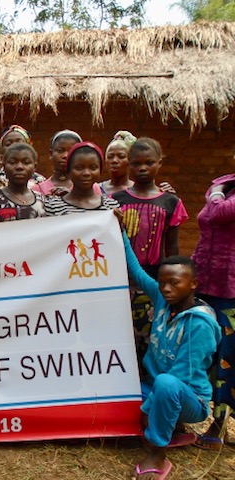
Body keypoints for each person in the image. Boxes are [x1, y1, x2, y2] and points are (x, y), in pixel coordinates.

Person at [119, 232, 221, 480]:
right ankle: (171, 427)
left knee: (166, 383)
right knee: (119, 394)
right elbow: (136, 270)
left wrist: (147, 407)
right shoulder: (163, 300)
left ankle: (158, 453)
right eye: (162, 282)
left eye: (174, 282)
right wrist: (119, 230)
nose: (166, 288)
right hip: (157, 388)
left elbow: (181, 375)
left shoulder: (200, 324)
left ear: (193, 283)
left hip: (190, 399)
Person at [112, 138, 188, 365]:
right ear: (128, 165)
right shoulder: (116, 201)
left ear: (159, 163)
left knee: (148, 335)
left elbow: (172, 245)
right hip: (120, 280)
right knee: (121, 333)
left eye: (149, 162)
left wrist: (170, 281)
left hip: (153, 281)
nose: (142, 168)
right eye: (136, 163)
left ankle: (146, 382)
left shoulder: (170, 202)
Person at [191, 172, 235, 449]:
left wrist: (216, 191)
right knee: (201, 350)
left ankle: (219, 426)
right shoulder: (225, 183)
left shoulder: (220, 189)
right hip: (205, 280)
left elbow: (220, 213)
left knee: (227, 358)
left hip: (230, 288)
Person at [44, 142, 119, 216]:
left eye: (93, 168)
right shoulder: (53, 207)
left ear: (100, 170)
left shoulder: (111, 207)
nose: (86, 173)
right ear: (69, 170)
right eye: (79, 168)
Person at [99, 131, 175, 196]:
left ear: (130, 161)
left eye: (121, 156)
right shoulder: (95, 190)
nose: (114, 160)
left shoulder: (140, 191)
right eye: (110, 156)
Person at [0, 143, 46, 221]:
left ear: (34, 167)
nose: (19, 167)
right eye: (12, 162)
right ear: (4, 166)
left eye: (26, 163)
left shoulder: (42, 199)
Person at [33, 130, 104, 197]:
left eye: (71, 151)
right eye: (60, 151)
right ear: (51, 154)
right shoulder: (38, 189)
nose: (65, 156)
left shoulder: (92, 187)